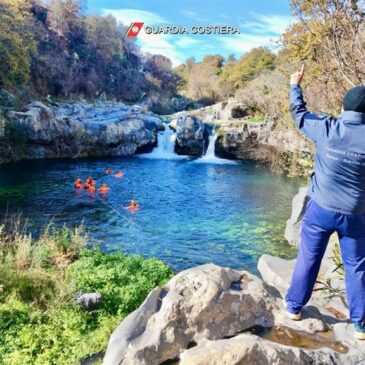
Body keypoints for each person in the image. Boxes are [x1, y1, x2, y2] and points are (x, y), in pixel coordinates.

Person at [285, 65, 365, 340]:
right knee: (356, 266)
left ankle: (294, 307)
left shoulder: (327, 127)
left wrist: (295, 85)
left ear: (344, 107)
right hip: (355, 215)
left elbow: (299, 114)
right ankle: (360, 325)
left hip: (320, 209)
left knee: (309, 258)